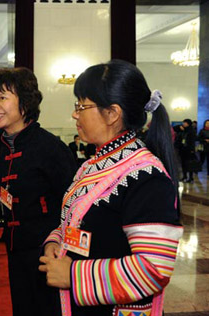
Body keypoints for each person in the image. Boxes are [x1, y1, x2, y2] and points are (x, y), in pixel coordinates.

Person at [39, 60, 183, 316]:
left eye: (81, 106)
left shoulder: (146, 175)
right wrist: (56, 241)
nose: (75, 114)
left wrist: (72, 275)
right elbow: (77, 221)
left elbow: (153, 269)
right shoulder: (94, 163)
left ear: (113, 113)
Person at [0, 67, 76, 316]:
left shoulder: (49, 147)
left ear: (25, 102)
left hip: (47, 250)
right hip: (14, 248)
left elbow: (74, 200)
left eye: (2, 97)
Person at [179, 118, 197, 183]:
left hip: (189, 150)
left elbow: (192, 141)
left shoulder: (192, 131)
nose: (184, 124)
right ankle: (184, 176)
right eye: (183, 122)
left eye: (185, 123)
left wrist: (192, 150)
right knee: (183, 164)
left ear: (188, 124)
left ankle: (191, 177)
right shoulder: (183, 130)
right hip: (182, 150)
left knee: (190, 164)